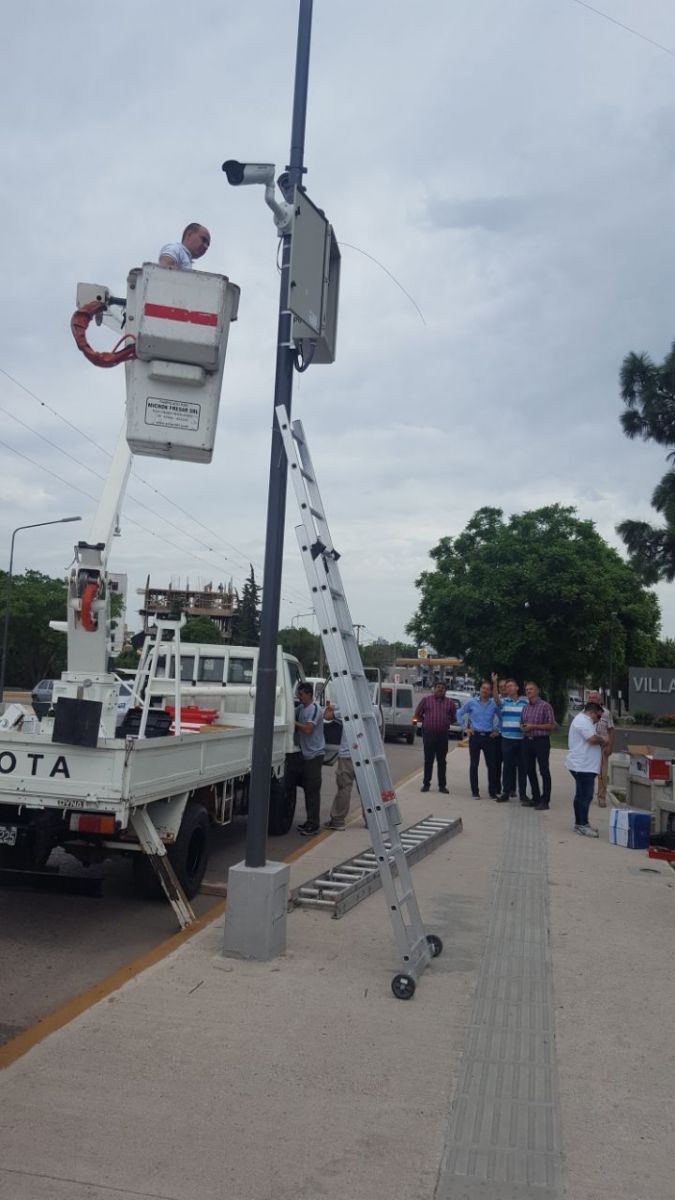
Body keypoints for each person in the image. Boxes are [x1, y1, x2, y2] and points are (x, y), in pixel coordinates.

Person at [566, 701, 606, 837]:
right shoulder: (582, 721)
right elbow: (592, 739)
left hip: (585, 765)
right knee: (585, 796)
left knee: (582, 795)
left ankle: (582, 823)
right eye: (599, 717)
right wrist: (604, 739)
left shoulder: (586, 721)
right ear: (592, 712)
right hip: (582, 765)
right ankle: (581, 824)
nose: (599, 720)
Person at [456, 682, 501, 799]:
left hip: (489, 737)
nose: (485, 691)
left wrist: (498, 730)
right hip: (475, 736)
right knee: (474, 765)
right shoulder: (472, 702)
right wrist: (464, 728)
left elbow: (502, 717)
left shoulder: (494, 704)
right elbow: (459, 713)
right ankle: (475, 792)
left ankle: (492, 792)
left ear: (490, 691)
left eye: (487, 689)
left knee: (492, 766)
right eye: (483, 688)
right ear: (480, 689)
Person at [414, 682, 458, 794]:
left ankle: (442, 786)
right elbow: (417, 714)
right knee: (428, 760)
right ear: (434, 689)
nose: (440, 689)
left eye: (442, 688)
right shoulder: (426, 700)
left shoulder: (450, 703)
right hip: (429, 735)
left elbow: (454, 718)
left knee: (442, 761)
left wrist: (446, 722)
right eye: (438, 687)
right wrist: (425, 722)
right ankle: (426, 784)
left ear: (445, 690)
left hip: (443, 736)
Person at [293, 682, 325, 836]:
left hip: (314, 755)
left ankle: (314, 824)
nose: (299, 697)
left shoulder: (315, 710)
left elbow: (307, 729)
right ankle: (309, 820)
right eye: (298, 695)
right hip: (305, 755)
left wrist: (294, 723)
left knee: (312, 790)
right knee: (307, 788)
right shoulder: (301, 708)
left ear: (309, 694)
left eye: (301, 695)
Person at [492, 674, 529, 803]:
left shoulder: (525, 702)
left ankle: (523, 794)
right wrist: (495, 683)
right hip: (507, 739)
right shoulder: (503, 702)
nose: (509, 688)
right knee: (507, 767)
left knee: (522, 768)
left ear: (517, 688)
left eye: (511, 685)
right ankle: (506, 792)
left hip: (521, 739)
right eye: (507, 687)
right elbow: (496, 699)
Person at [521, 681, 556, 810]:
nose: (528, 692)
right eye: (526, 690)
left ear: (537, 691)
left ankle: (545, 800)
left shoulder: (545, 706)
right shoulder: (526, 707)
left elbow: (551, 725)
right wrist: (523, 728)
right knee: (529, 769)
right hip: (527, 740)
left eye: (530, 689)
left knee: (543, 770)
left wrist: (533, 726)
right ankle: (535, 797)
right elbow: (522, 723)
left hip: (541, 741)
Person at [322, 701, 356, 830]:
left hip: (348, 754)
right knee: (366, 788)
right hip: (366, 753)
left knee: (344, 787)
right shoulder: (369, 705)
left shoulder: (346, 708)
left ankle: (338, 820)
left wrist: (331, 708)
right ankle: (370, 820)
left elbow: (327, 716)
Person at [587, 689, 614, 807]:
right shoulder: (584, 713)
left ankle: (601, 797)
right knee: (587, 773)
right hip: (588, 748)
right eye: (590, 698)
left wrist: (610, 747)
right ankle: (587, 796)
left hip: (602, 748)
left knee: (602, 774)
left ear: (599, 700)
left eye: (594, 698)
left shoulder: (606, 713)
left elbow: (611, 730)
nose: (592, 699)